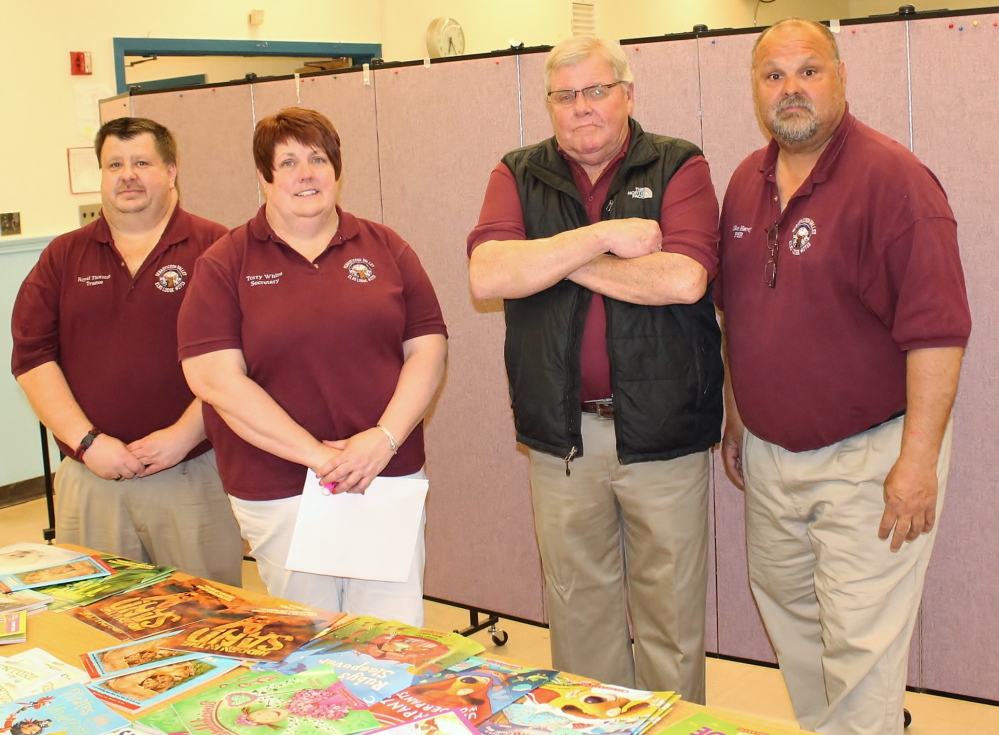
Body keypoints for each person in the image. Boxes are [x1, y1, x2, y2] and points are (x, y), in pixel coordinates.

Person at [717, 18, 971, 735]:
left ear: (840, 77)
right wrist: (738, 412)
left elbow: (938, 333)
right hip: (771, 458)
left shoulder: (894, 182)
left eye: (808, 71)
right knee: (792, 620)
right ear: (755, 89)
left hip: (871, 458)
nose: (790, 89)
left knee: (860, 640)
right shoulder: (745, 182)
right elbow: (736, 313)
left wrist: (916, 462)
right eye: (773, 76)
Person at [467, 37, 723, 700]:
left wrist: (546, 259)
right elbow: (488, 273)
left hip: (663, 434)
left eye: (596, 91)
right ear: (549, 105)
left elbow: (683, 279)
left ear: (627, 94)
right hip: (562, 439)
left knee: (670, 622)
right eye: (564, 95)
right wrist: (602, 238)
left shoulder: (677, 165)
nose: (580, 108)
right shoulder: (515, 172)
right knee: (580, 621)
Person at [177, 107, 447, 627]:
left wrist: (383, 440)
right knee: (309, 643)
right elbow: (215, 380)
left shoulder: (386, 247)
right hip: (281, 487)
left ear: (337, 169)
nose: (306, 174)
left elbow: (428, 348)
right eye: (288, 162)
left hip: (383, 477)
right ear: (264, 178)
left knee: (391, 641)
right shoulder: (225, 263)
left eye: (318, 158)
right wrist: (319, 457)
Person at [10, 117, 242, 586]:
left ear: (172, 171)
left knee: (206, 621)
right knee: (92, 617)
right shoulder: (63, 256)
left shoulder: (217, 247)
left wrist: (181, 435)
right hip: (90, 478)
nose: (127, 175)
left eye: (142, 162)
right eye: (114, 164)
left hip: (193, 473)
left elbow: (244, 358)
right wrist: (88, 442)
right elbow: (32, 358)